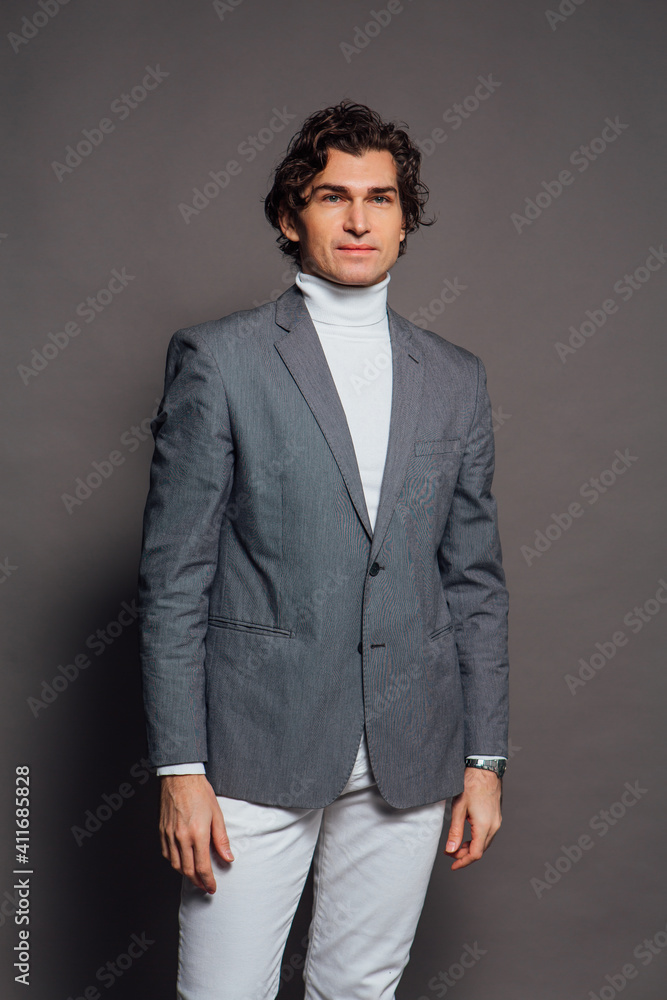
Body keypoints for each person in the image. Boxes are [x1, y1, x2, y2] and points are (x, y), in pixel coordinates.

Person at [138, 99, 510, 999]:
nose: (356, 219)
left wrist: (484, 758)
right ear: (287, 216)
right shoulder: (219, 360)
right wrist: (180, 768)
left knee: (359, 990)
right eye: (331, 196)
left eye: (379, 198)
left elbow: (474, 579)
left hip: (411, 747)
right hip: (252, 746)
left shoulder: (456, 377)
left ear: (403, 220)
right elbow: (173, 577)